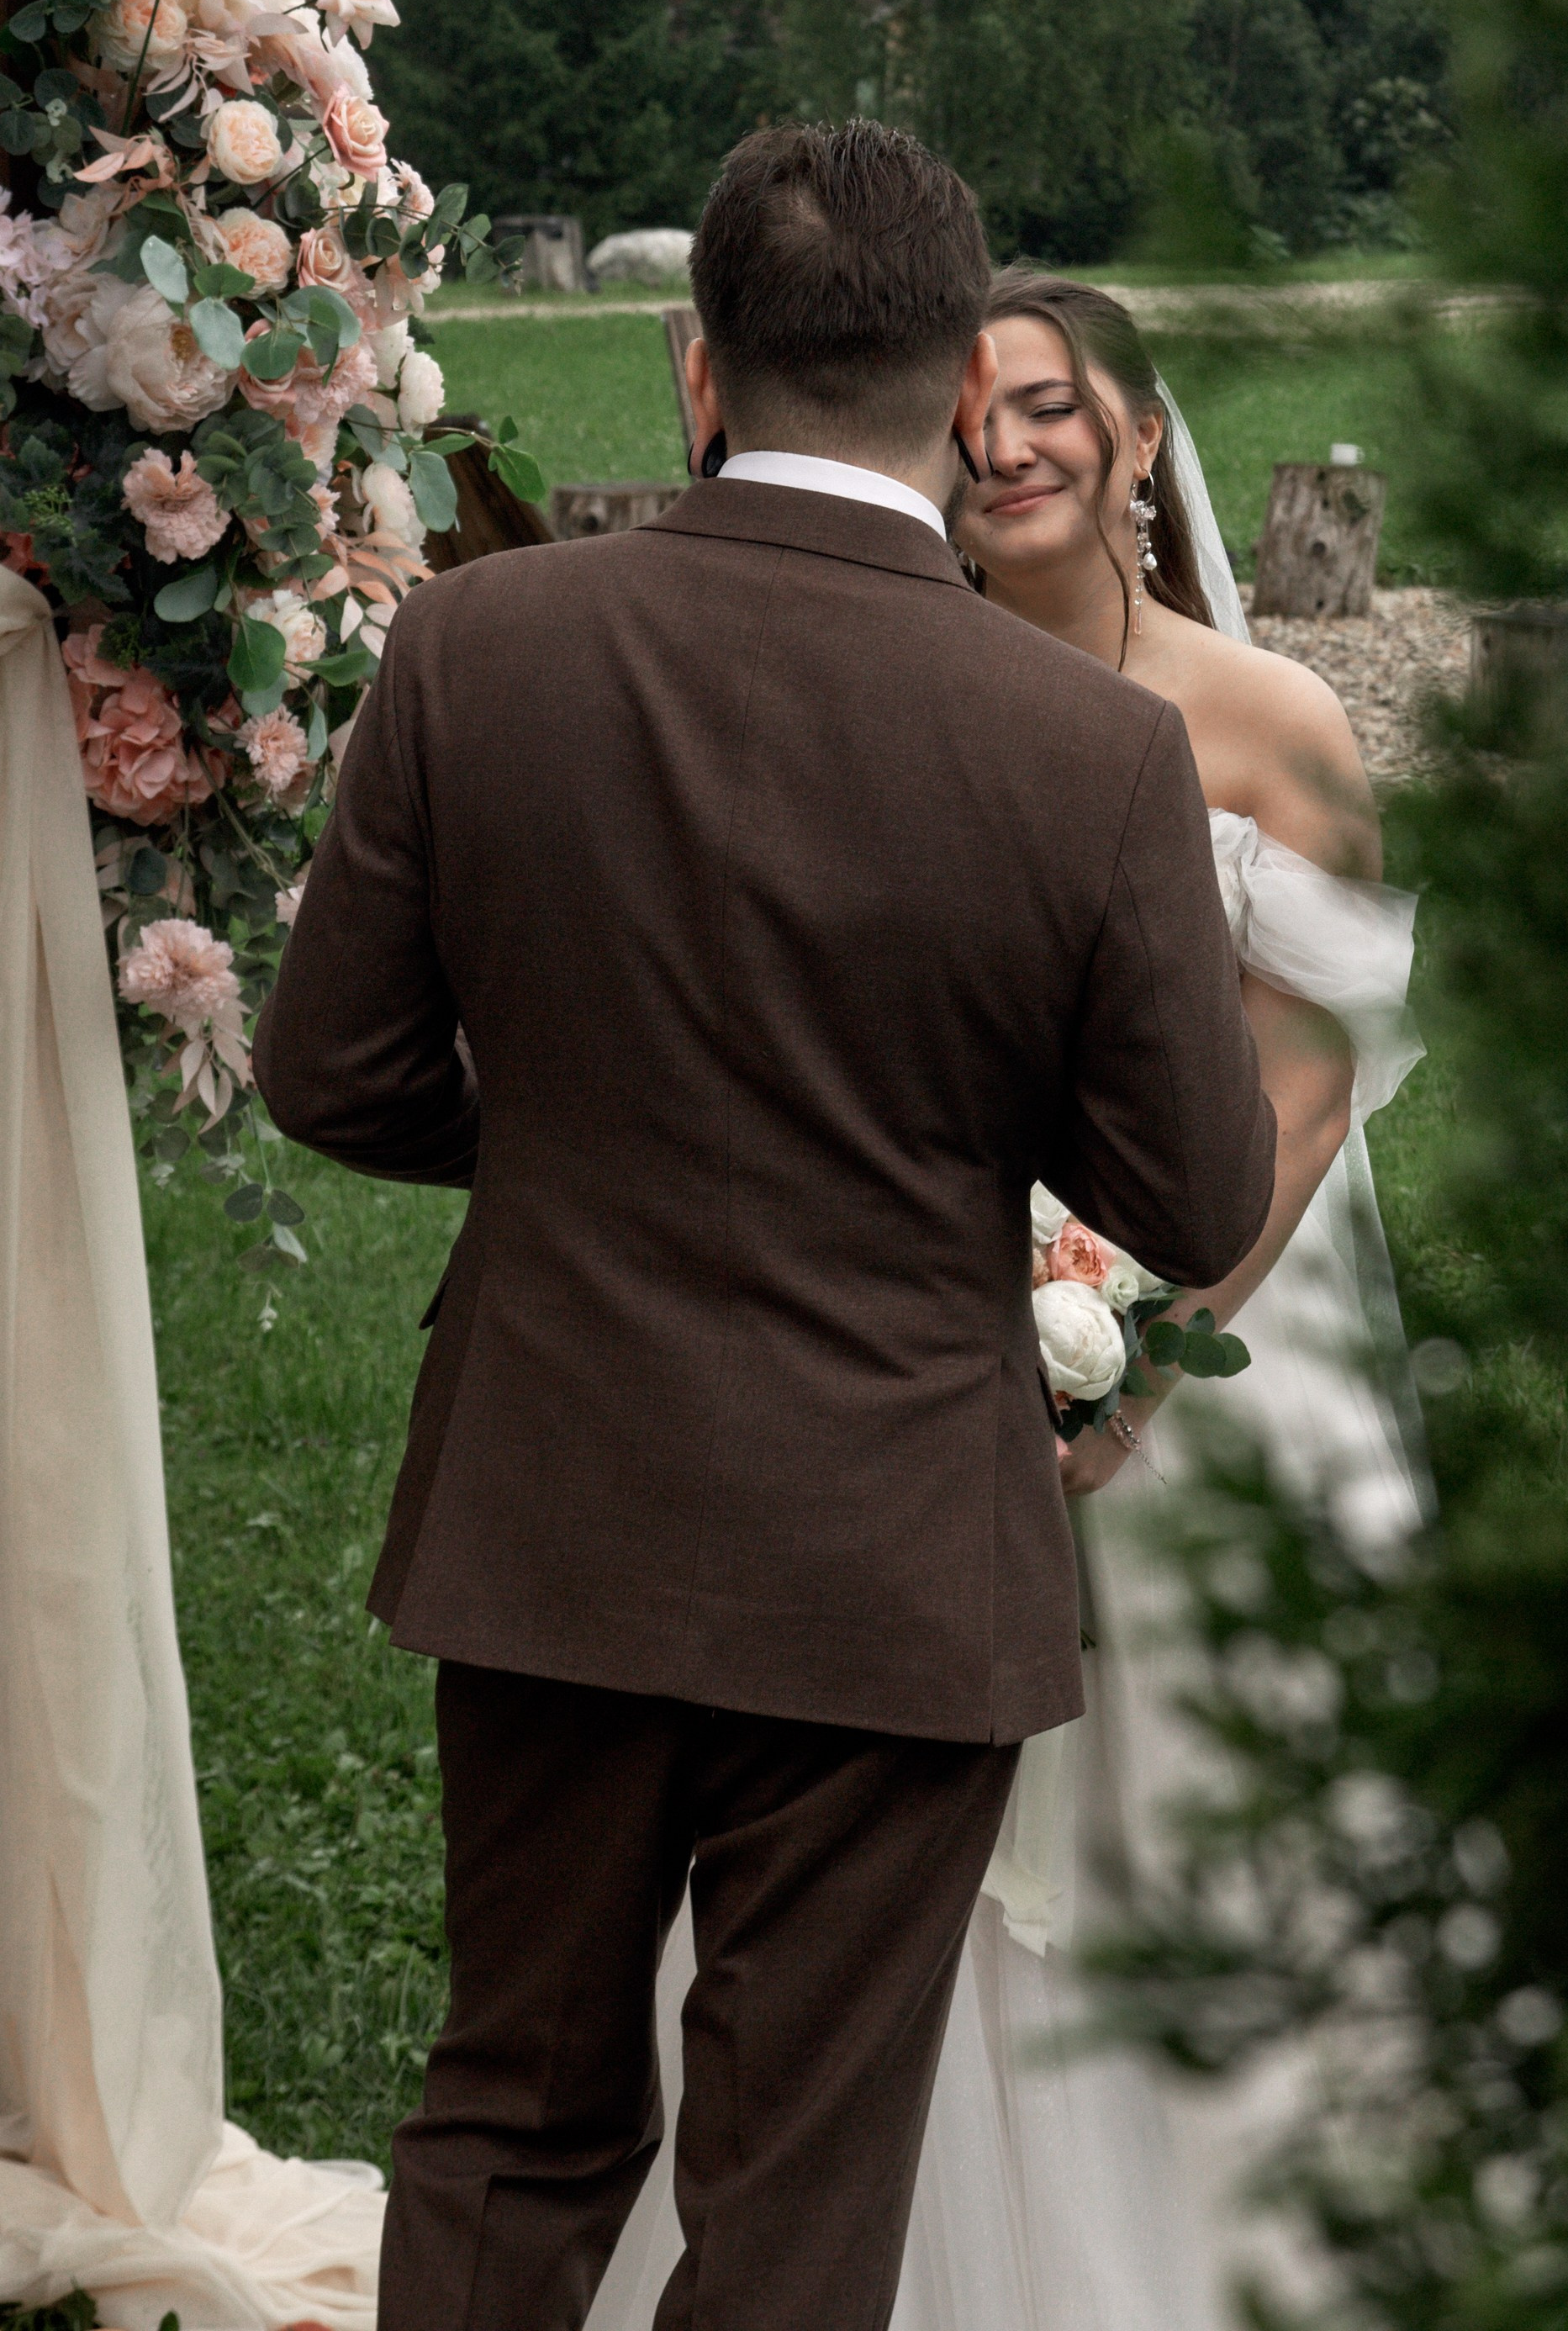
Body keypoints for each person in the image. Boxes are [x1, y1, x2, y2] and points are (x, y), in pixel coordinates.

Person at [255, 130, 1278, 2331]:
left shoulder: (475, 648)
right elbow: (1199, 1194)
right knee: (797, 2193)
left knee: (511, 2114)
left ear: (696, 363)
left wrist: (573, 1145)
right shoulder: (1094, 750)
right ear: (964, 382)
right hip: (893, 1547)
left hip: (553, 1502)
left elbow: (328, 1072)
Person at [589, 269, 1428, 2331]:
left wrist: (1122, 1360)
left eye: (1052, 404)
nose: (1007, 442)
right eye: (973, 409)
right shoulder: (886, 691)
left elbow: (1304, 1083)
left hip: (1213, 1337)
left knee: (1201, 1797)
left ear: (1140, 441)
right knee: (870, 1821)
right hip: (903, 1342)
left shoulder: (1268, 720)